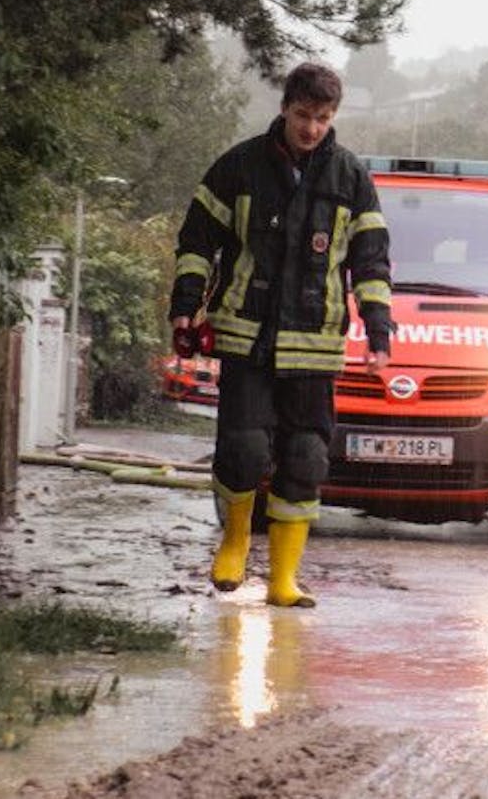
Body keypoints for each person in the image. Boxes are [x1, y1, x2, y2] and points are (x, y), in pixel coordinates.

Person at [169, 62, 393, 608]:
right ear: (284, 108)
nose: (311, 128)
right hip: (246, 338)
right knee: (243, 451)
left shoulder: (351, 178)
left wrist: (379, 331)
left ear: (333, 117)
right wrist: (185, 308)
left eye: (322, 118)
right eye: (302, 116)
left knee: (307, 459)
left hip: (315, 347)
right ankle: (236, 542)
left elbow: (372, 263)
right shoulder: (239, 166)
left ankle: (284, 579)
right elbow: (197, 240)